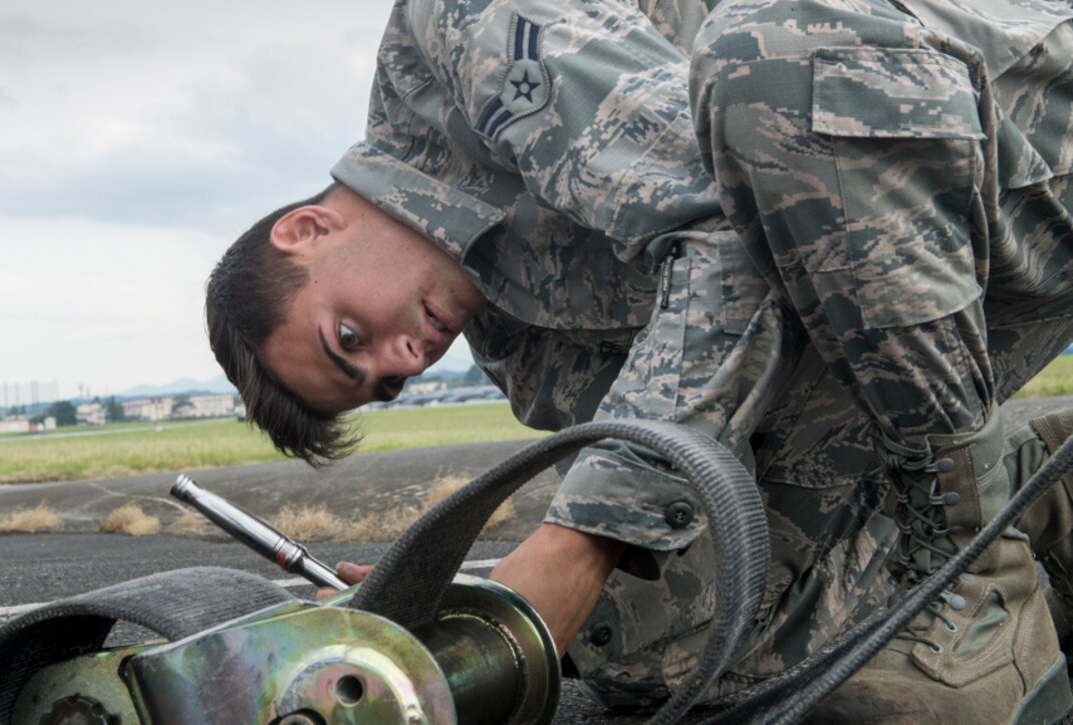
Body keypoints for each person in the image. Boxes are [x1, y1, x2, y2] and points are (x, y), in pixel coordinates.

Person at [205, 0, 1073, 721]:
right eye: (385, 383)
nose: (405, 357)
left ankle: (981, 582)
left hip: (1013, 130)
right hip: (975, 289)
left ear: (307, 231)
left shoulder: (458, 34)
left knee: (768, 74)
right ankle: (1032, 495)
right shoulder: (518, 349)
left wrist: (580, 539)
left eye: (348, 337)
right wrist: (482, 602)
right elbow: (715, 474)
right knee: (636, 637)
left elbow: (725, 222)